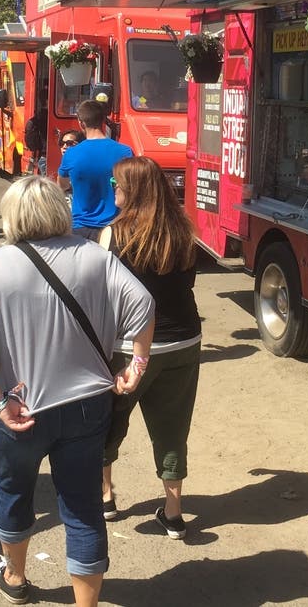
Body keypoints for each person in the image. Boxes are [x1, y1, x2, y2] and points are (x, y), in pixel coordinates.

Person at [0, 175, 155, 607]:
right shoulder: (95, 256)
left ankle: (15, 576)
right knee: (83, 506)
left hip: (21, 407)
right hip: (87, 405)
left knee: (14, 492)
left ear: (11, 215)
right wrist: (136, 365)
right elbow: (144, 304)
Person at [99, 156, 202, 540]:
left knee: (108, 421)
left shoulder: (113, 234)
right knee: (173, 427)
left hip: (130, 345)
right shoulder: (184, 231)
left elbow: (104, 296)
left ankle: (105, 497)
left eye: (117, 184)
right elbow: (187, 284)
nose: (113, 190)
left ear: (134, 189)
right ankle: (173, 513)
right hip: (184, 341)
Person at [58, 100, 133, 241]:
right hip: (114, 228)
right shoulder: (125, 152)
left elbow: (62, 185)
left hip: (80, 227)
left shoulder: (71, 153)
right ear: (103, 120)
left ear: (81, 123)